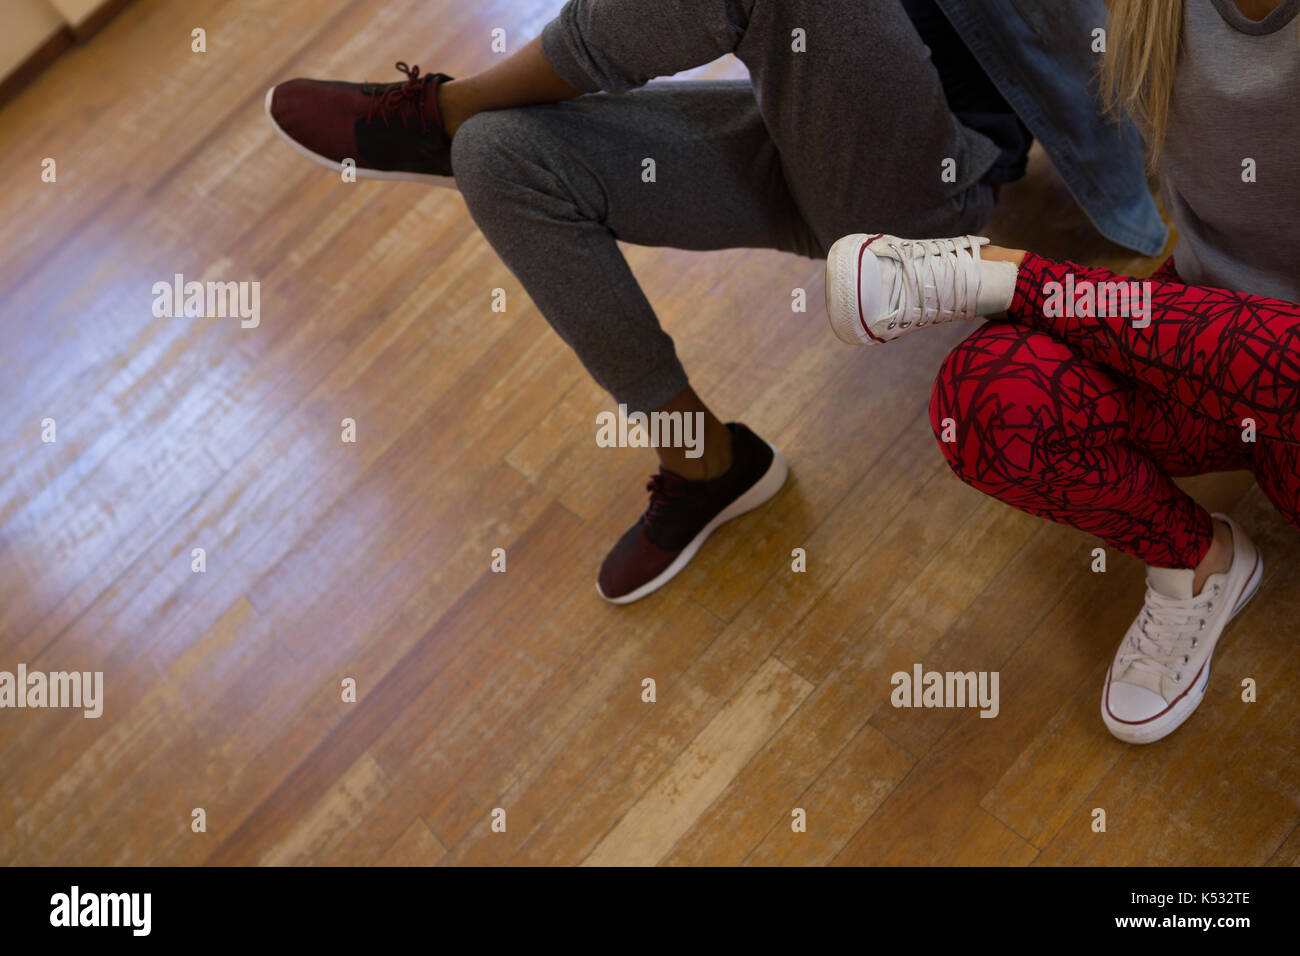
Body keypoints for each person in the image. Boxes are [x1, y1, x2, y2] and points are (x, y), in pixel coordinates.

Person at [264, 0, 1164, 604]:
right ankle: (707, 463)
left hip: (940, 178)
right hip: (810, 123)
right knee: (500, 159)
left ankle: (442, 111)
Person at [823, 0, 1299, 743]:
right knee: (987, 400)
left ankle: (1014, 279)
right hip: (1190, 343)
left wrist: (1035, 290)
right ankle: (1198, 562)